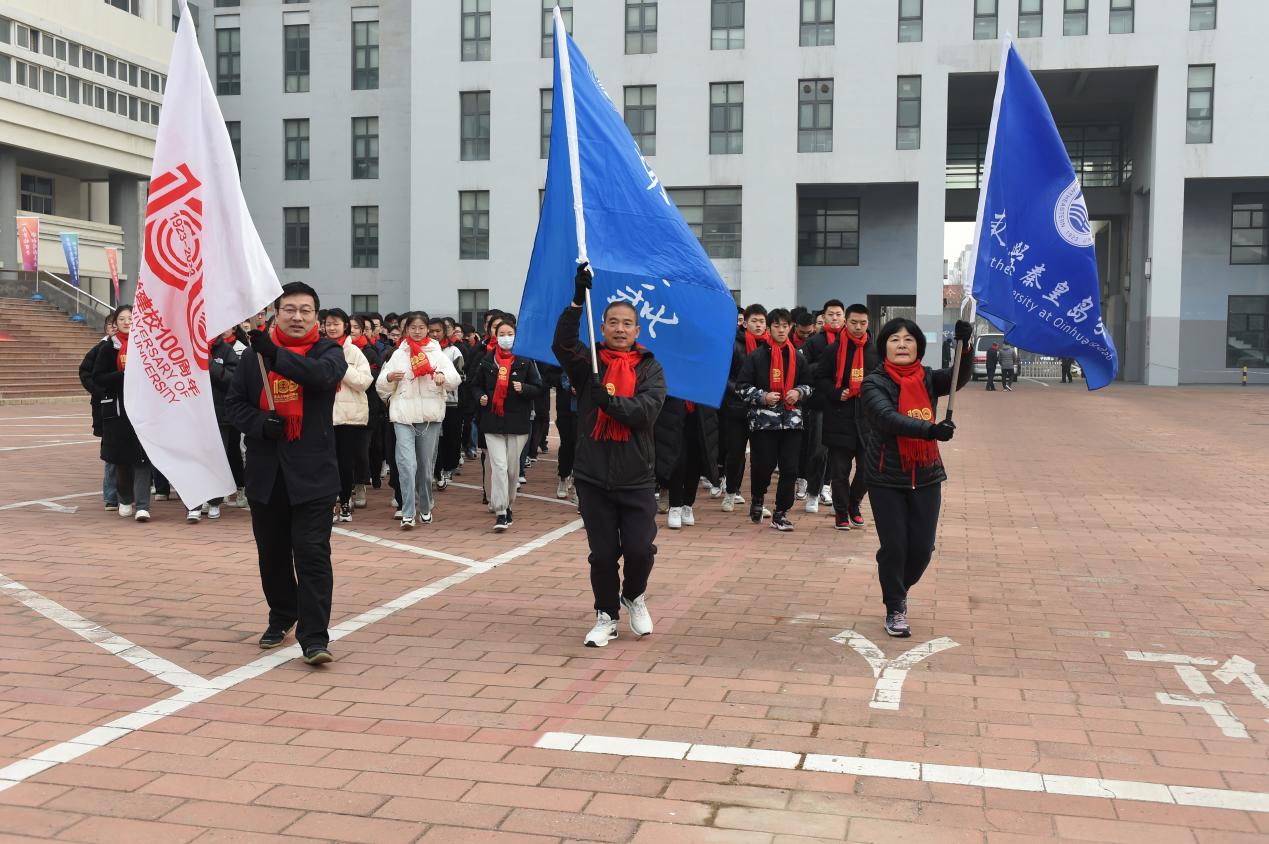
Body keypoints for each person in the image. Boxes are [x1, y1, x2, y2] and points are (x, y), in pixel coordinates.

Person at [226, 282, 347, 665]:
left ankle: (314, 637)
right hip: (266, 475)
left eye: (305, 310)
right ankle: (282, 614)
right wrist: (261, 424)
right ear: (276, 314)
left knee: (312, 555)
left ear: (317, 317)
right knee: (273, 555)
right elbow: (234, 405)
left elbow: (320, 377)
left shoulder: (328, 351)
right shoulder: (253, 359)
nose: (297, 316)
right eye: (289, 309)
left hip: (314, 475)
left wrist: (274, 354)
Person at [553, 264, 666, 647]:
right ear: (601, 328)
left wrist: (610, 403)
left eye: (627, 323)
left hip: (636, 476)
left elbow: (646, 411)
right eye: (613, 322)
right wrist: (576, 301)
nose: (620, 329)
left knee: (639, 550)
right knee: (602, 555)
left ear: (637, 330)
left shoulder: (651, 367)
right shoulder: (589, 365)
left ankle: (633, 595)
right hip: (593, 475)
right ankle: (606, 615)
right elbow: (562, 344)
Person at [860, 317, 972, 638]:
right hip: (886, 477)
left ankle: (898, 587)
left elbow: (957, 377)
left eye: (908, 339)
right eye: (894, 339)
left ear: (918, 347)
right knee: (895, 547)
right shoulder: (873, 383)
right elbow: (887, 418)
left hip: (926, 474)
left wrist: (964, 348)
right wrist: (930, 430)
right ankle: (895, 605)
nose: (902, 345)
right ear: (884, 347)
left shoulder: (927, 378)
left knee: (922, 549)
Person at [376, 311, 460, 529]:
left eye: (421, 328)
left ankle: (425, 505)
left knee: (424, 464)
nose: (417, 331)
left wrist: (442, 377)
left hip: (429, 416)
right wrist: (389, 377)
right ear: (406, 330)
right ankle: (407, 510)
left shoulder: (436, 352)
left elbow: (454, 379)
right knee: (406, 463)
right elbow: (381, 384)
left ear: (427, 330)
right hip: (403, 415)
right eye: (412, 328)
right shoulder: (399, 354)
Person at [736, 308, 814, 531]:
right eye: (777, 326)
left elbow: (810, 385)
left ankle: (781, 513)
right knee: (764, 466)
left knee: (790, 469)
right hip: (764, 423)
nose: (781, 330)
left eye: (785, 326)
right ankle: (758, 497)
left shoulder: (798, 356)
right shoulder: (756, 357)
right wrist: (762, 397)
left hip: (792, 422)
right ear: (769, 329)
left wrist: (799, 392)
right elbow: (741, 387)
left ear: (790, 328)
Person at [475, 317, 542, 530]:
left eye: (510, 334)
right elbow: (475, 385)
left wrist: (524, 388)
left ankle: (509, 503)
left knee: (512, 470)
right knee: (499, 467)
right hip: (492, 421)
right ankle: (501, 511)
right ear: (495, 336)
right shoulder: (487, 361)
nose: (506, 338)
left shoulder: (525, 361)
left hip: (517, 422)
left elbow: (538, 387)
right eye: (502, 334)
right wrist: (481, 396)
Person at [815, 303, 878, 531]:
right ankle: (841, 513)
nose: (858, 327)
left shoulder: (875, 351)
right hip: (839, 417)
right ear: (846, 322)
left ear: (868, 323)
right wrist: (835, 392)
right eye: (853, 322)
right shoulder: (833, 350)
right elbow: (820, 378)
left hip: (867, 419)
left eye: (862, 323)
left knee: (868, 469)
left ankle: (854, 503)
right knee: (840, 472)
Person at [91, 305, 154, 522]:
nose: (127, 322)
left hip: (143, 410)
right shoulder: (108, 348)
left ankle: (143, 506)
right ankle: (125, 499)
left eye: (131, 318)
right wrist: (124, 375)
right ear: (115, 323)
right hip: (118, 412)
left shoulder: (147, 345)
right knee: (122, 459)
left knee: (143, 458)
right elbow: (98, 377)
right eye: (122, 319)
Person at [322, 309, 374, 524]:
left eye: (336, 324)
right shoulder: (318, 349)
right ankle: (327, 504)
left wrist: (341, 368)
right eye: (328, 324)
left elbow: (364, 382)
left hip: (348, 417)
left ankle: (344, 502)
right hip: (324, 415)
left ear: (345, 326)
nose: (332, 327)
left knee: (344, 462)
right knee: (325, 463)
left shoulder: (354, 352)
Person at [193, 325, 249, 521]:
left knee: (217, 458)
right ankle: (197, 500)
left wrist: (209, 363)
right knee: (197, 459)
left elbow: (233, 379)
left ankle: (215, 501)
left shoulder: (225, 350)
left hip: (220, 415)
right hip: (194, 415)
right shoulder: (187, 349)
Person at [797, 299, 844, 513]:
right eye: (830, 314)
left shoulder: (853, 342)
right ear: (823, 317)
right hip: (821, 403)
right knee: (818, 449)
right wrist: (826, 365)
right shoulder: (814, 342)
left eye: (838, 314)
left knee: (840, 452)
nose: (834, 318)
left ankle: (830, 489)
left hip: (845, 403)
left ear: (844, 317)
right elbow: (804, 370)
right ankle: (813, 493)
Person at [720, 304, 766, 512]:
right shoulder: (733, 344)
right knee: (735, 453)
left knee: (761, 456)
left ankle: (758, 500)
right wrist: (745, 392)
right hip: (736, 407)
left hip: (762, 410)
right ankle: (731, 492)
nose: (758, 325)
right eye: (754, 321)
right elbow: (725, 376)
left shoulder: (770, 347)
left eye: (762, 321)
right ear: (745, 323)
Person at [654, 396, 719, 530]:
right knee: (677, 460)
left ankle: (688, 505)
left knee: (695, 460)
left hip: (700, 411)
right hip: (673, 410)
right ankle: (675, 506)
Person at [80, 314, 117, 510]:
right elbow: (85, 373)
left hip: (128, 407)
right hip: (105, 407)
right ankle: (111, 496)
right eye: (112, 325)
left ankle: (131, 493)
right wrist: (101, 391)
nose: (115, 328)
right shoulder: (100, 349)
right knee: (110, 452)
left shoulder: (133, 347)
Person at [429, 317, 466, 489]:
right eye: (431, 331)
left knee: (450, 436)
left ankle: (449, 467)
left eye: (438, 331)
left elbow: (461, 375)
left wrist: (444, 378)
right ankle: (436, 470)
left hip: (450, 402)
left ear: (445, 332)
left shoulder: (453, 351)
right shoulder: (422, 351)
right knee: (435, 438)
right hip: (429, 401)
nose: (434, 334)